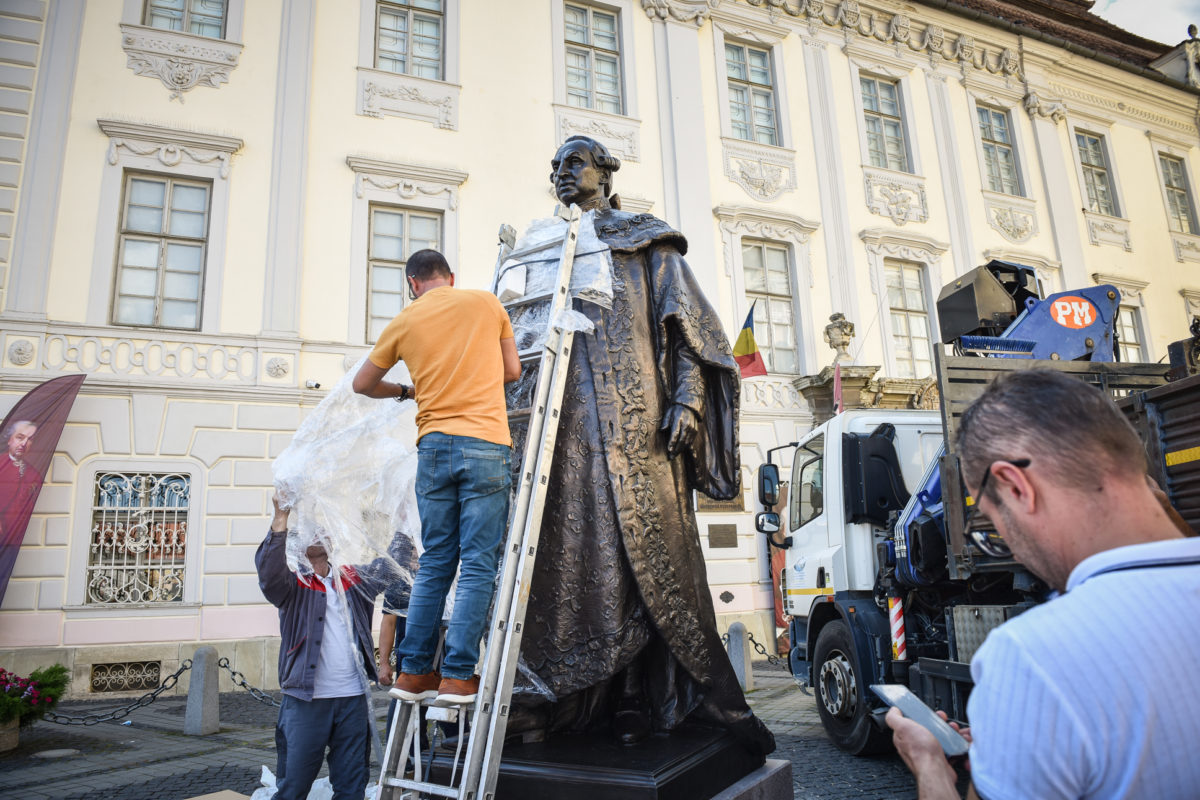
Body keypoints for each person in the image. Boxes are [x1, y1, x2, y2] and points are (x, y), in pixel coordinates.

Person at [509, 136, 774, 756]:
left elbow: (691, 331)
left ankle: (633, 695)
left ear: (604, 172)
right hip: (565, 435)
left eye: (573, 162)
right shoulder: (548, 252)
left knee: (644, 560)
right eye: (554, 167)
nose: (561, 174)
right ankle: (573, 700)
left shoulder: (646, 242)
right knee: (570, 560)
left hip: (638, 433)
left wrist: (688, 401)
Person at [887, 369, 1200, 800]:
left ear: (1017, 487)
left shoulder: (1031, 656)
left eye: (995, 529)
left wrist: (930, 767)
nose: (1009, 544)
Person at [353, 248, 520, 706]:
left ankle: (412, 673)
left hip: (432, 447)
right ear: (450, 276)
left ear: (412, 284)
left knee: (436, 561)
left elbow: (362, 384)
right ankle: (458, 676)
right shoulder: (487, 304)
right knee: (478, 562)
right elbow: (512, 370)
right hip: (485, 443)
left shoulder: (404, 321)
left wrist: (408, 390)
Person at [256, 494, 387, 800]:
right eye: (310, 531)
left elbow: (389, 566)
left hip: (353, 699)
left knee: (352, 787)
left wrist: (409, 516)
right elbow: (268, 573)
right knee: (293, 788)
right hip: (306, 701)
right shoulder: (293, 585)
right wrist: (281, 519)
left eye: (322, 529)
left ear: (331, 540)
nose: (318, 533)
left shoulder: (353, 581)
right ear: (299, 545)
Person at [0, 420, 41, 537]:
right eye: (20, 437)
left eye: (30, 440)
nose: (24, 443)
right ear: (9, 440)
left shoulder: (35, 475)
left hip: (17, 540)